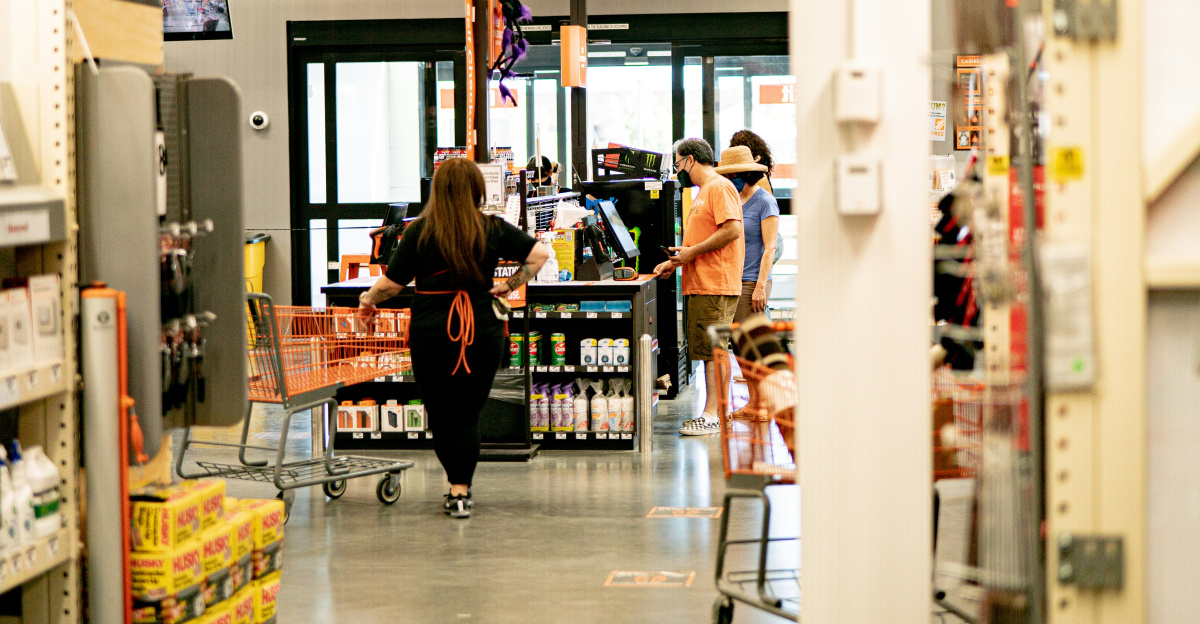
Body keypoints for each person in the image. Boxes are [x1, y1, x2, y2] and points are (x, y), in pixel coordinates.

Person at [358, 158, 549, 518]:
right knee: (466, 414)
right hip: (481, 327)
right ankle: (460, 490)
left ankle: (456, 482)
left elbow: (392, 284)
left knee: (441, 413)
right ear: (477, 190)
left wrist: (367, 300)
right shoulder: (491, 228)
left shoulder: (419, 232)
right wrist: (507, 286)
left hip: (431, 329)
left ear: (437, 191)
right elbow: (539, 255)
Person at [654, 138, 744, 436]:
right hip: (701, 283)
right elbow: (699, 243)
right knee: (709, 351)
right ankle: (717, 411)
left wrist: (691, 253)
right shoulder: (704, 193)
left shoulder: (718, 187)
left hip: (714, 284)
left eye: (680, 164)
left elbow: (732, 230)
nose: (680, 171)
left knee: (714, 352)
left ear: (691, 159)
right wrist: (677, 260)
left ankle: (712, 414)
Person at [715, 145, 780, 322]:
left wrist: (760, 287)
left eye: (733, 175)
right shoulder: (731, 199)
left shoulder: (765, 202)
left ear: (748, 173)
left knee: (748, 340)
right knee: (735, 341)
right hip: (731, 280)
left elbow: (770, 248)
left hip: (751, 281)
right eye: (726, 176)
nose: (729, 180)